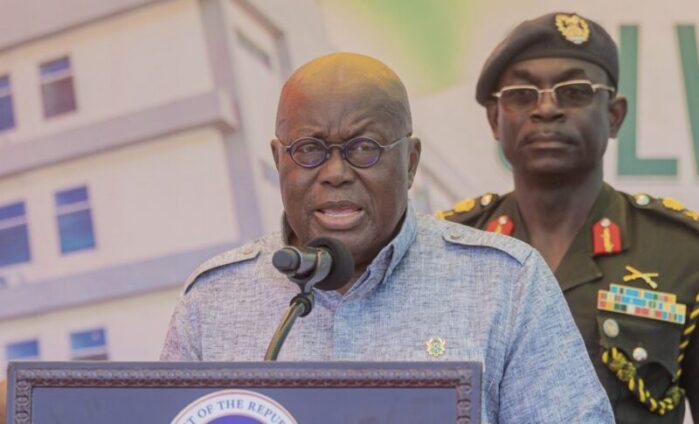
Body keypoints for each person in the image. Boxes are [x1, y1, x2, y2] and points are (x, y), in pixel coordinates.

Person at [161, 52, 613, 423]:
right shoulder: (214, 298)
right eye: (309, 149)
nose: (335, 173)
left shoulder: (505, 283)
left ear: (411, 163)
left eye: (364, 148)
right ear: (280, 161)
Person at [437, 12, 699, 424]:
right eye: (522, 94)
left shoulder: (682, 252)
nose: (546, 108)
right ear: (494, 119)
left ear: (614, 115)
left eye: (574, 92)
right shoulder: (448, 247)